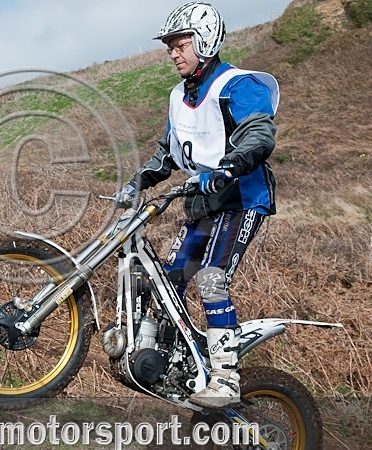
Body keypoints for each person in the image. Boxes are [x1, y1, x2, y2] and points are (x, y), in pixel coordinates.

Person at [114, 2, 280, 409]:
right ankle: (167, 359)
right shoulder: (178, 96)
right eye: (170, 46)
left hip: (241, 197)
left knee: (210, 279)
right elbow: (170, 153)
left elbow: (259, 135)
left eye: (180, 44)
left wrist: (227, 167)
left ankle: (226, 376)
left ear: (204, 41)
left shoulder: (238, 86)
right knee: (169, 281)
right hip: (202, 201)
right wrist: (138, 181)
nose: (173, 53)